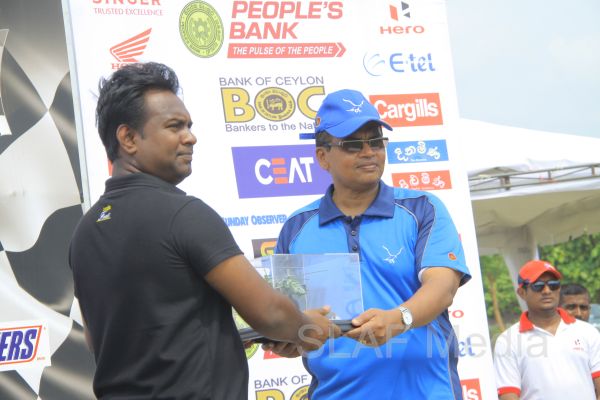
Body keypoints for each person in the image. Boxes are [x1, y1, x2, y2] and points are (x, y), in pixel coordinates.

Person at [68, 62, 339, 399]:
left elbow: (100, 338)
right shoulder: (184, 215)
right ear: (128, 138)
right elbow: (269, 312)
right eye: (174, 126)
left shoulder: (83, 233)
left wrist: (234, 334)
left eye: (189, 126)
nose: (190, 137)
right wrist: (307, 326)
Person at [267, 89, 471, 399]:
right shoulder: (296, 228)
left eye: (376, 141)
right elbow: (294, 321)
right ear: (322, 156)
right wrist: (289, 339)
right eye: (352, 144)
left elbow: (443, 287)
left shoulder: (422, 208)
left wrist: (399, 319)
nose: (368, 152)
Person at [494, 260, 600, 399]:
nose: (547, 291)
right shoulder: (508, 341)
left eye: (553, 285)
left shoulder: (588, 332)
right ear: (522, 292)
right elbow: (509, 395)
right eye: (538, 286)